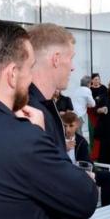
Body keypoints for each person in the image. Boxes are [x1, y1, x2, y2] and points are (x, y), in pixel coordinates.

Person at [0, 20, 97, 219]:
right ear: (13, 74)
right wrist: (41, 139)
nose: (32, 76)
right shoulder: (25, 137)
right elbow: (85, 198)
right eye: (30, 67)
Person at [27, 23, 76, 157]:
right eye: (71, 58)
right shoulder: (31, 112)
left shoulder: (39, 105)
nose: (73, 67)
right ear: (56, 59)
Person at [62, 112, 110, 206]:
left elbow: (86, 162)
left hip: (81, 173)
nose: (68, 129)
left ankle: (107, 207)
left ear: (77, 125)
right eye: (65, 126)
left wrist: (90, 171)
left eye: (71, 126)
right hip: (65, 174)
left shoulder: (81, 141)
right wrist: (63, 148)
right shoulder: (57, 139)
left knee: (109, 177)